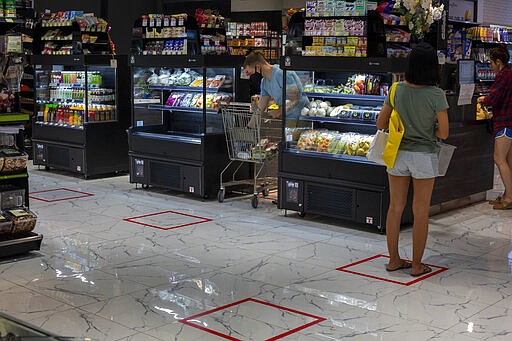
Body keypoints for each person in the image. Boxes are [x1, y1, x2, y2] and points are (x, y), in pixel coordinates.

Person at [376, 42, 449, 277]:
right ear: (432, 68)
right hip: (424, 157)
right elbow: (444, 133)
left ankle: (394, 260)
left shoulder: (396, 89)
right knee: (420, 211)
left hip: (397, 154)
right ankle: (417, 265)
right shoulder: (436, 95)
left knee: (395, 208)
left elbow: (380, 123)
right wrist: (429, 131)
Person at [477, 45, 512, 210]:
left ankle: (509, 197)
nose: (490, 65)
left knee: (499, 158)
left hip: (504, 122)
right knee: (508, 161)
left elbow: (493, 98)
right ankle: (508, 194)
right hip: (509, 122)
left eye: (491, 62)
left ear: (499, 62)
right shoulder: (509, 74)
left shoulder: (503, 76)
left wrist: (483, 99)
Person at [243, 51, 308, 123]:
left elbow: (295, 98)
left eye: (251, 73)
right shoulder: (264, 82)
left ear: (258, 67)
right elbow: (260, 108)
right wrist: (250, 127)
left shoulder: (281, 73)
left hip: (302, 116)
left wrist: (279, 111)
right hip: (286, 119)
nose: (252, 77)